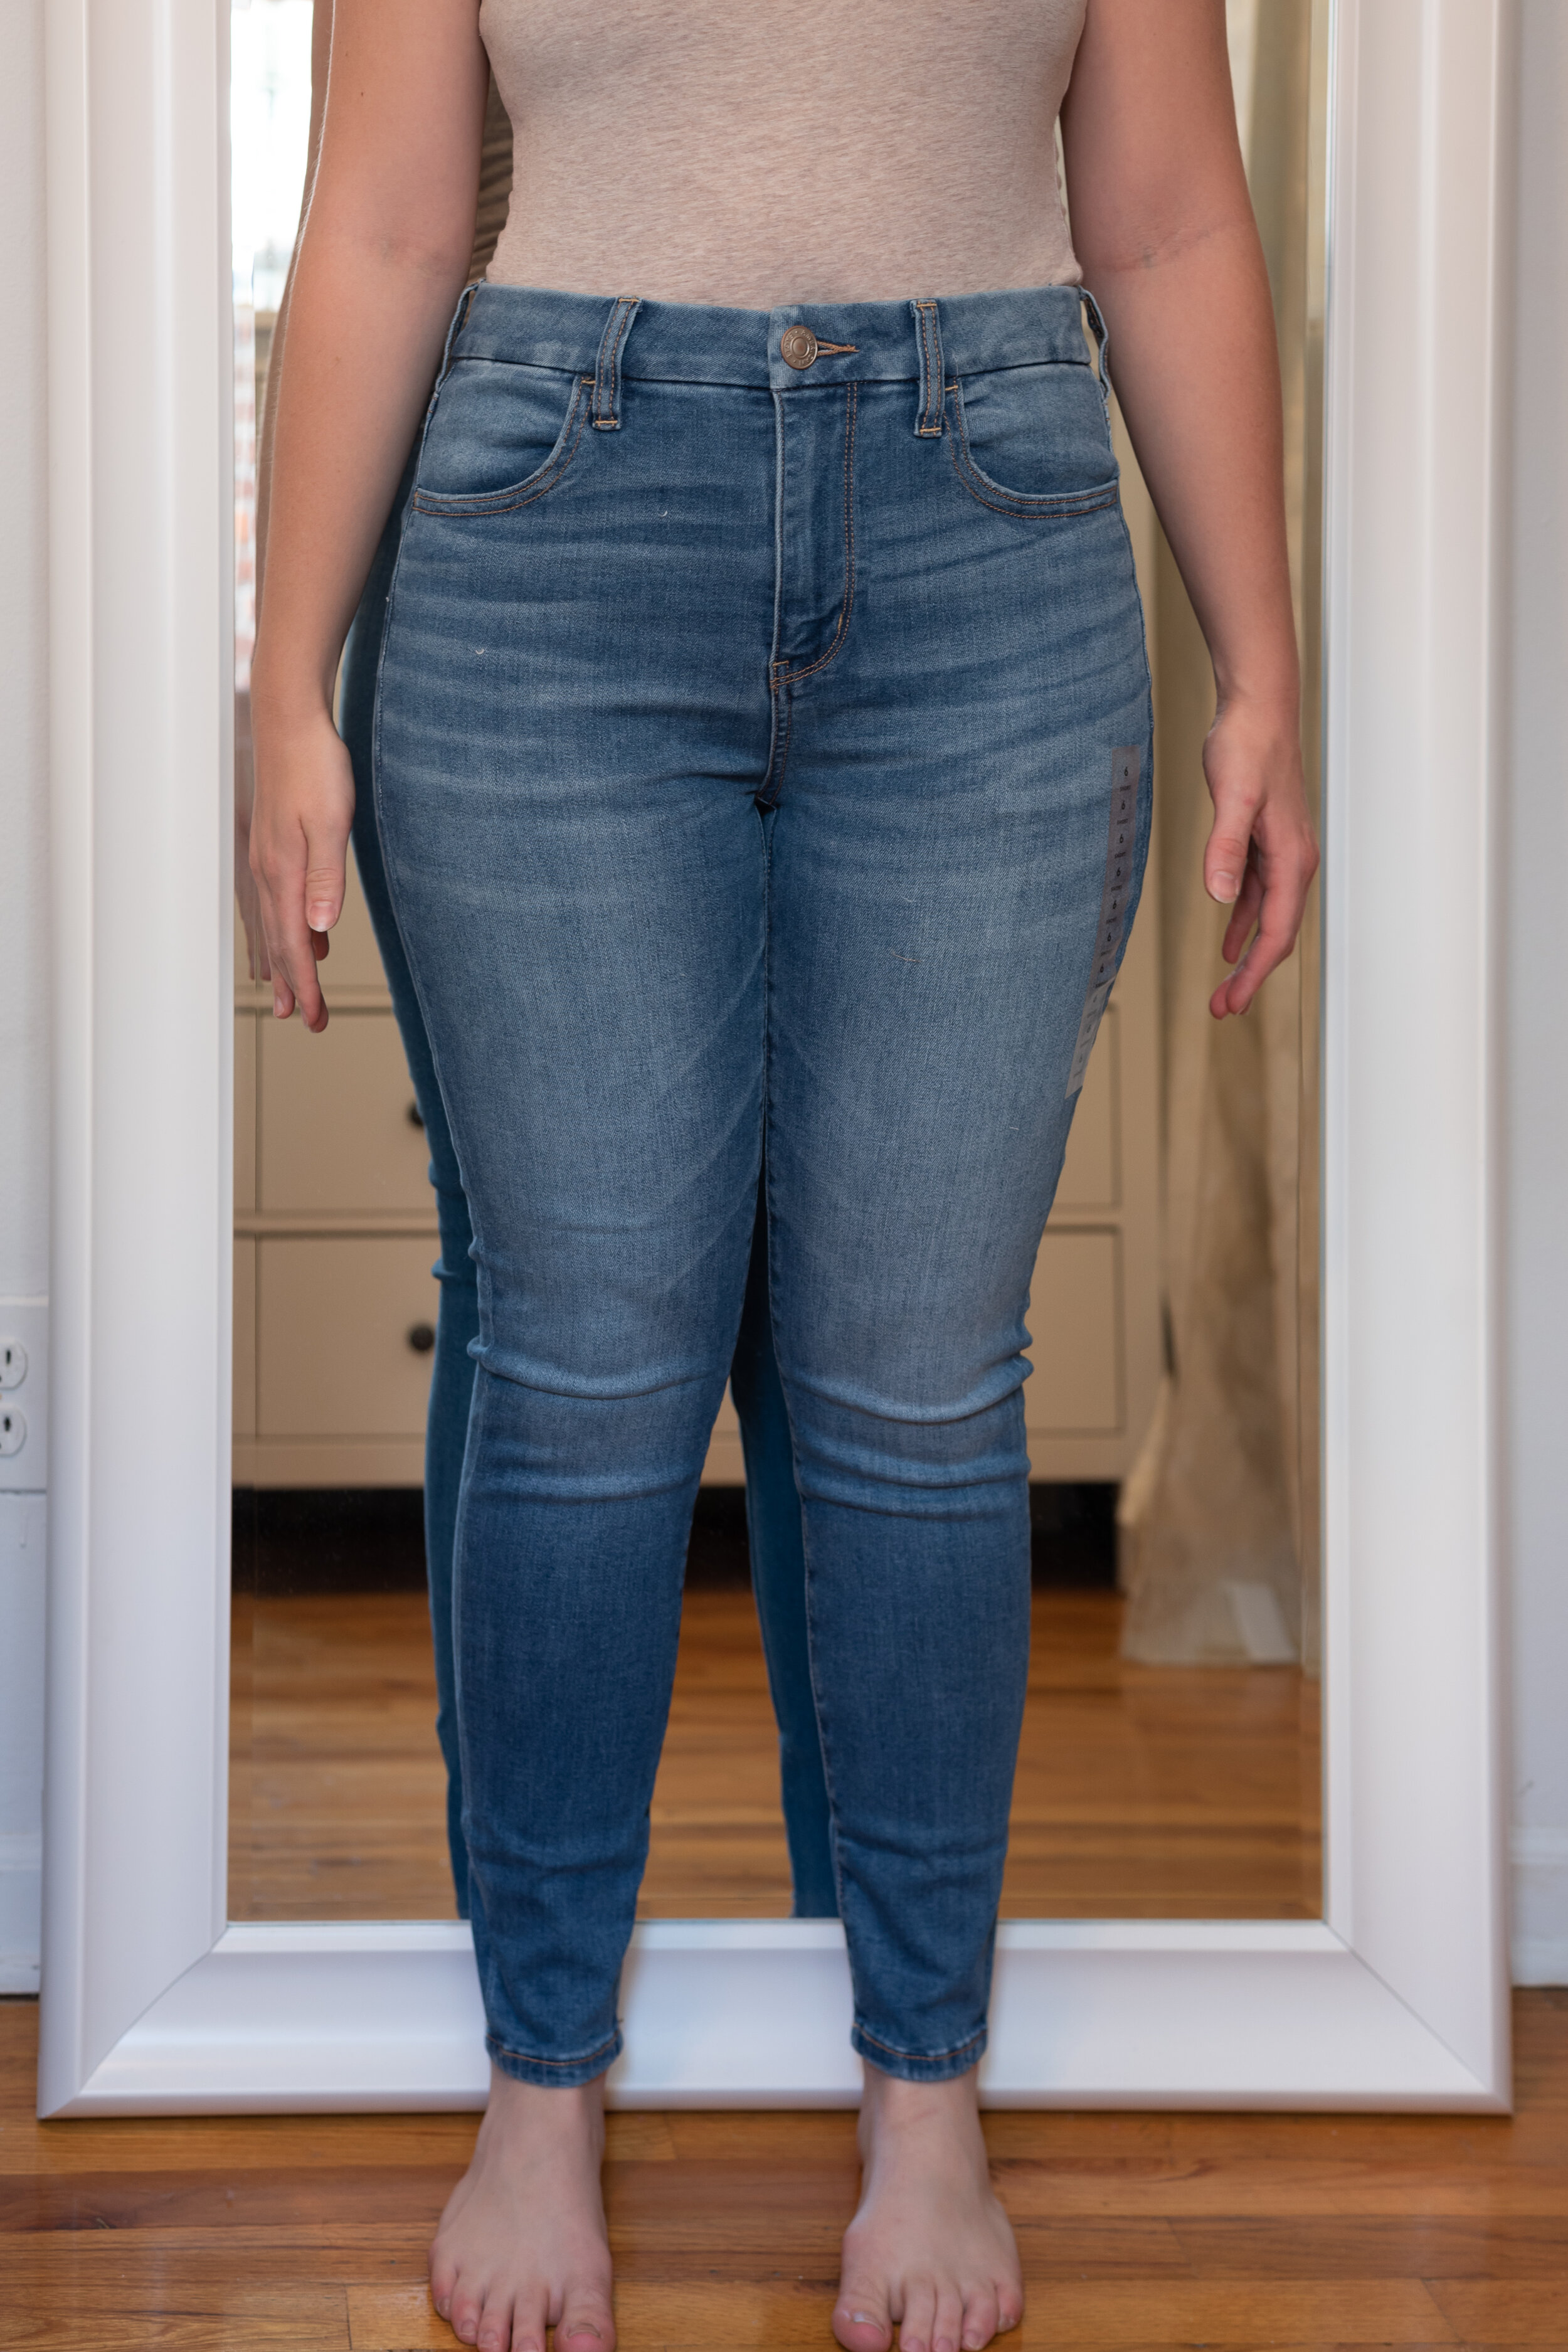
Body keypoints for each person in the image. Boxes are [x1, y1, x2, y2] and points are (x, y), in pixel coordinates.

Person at [248, 4, 1320, 2349]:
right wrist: (287, 680)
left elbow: (1159, 215)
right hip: (550, 524)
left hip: (992, 531)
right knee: (582, 1371)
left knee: (917, 1388)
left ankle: (923, 2101)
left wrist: (1260, 663)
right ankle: (542, 2086)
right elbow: (391, 217)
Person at [248, 14, 840, 1927]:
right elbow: (374, 219)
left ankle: (862, 1948)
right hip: (502, 562)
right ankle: (532, 1941)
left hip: (852, 537)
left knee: (833, 1302)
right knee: (537, 1288)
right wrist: (290, 685)